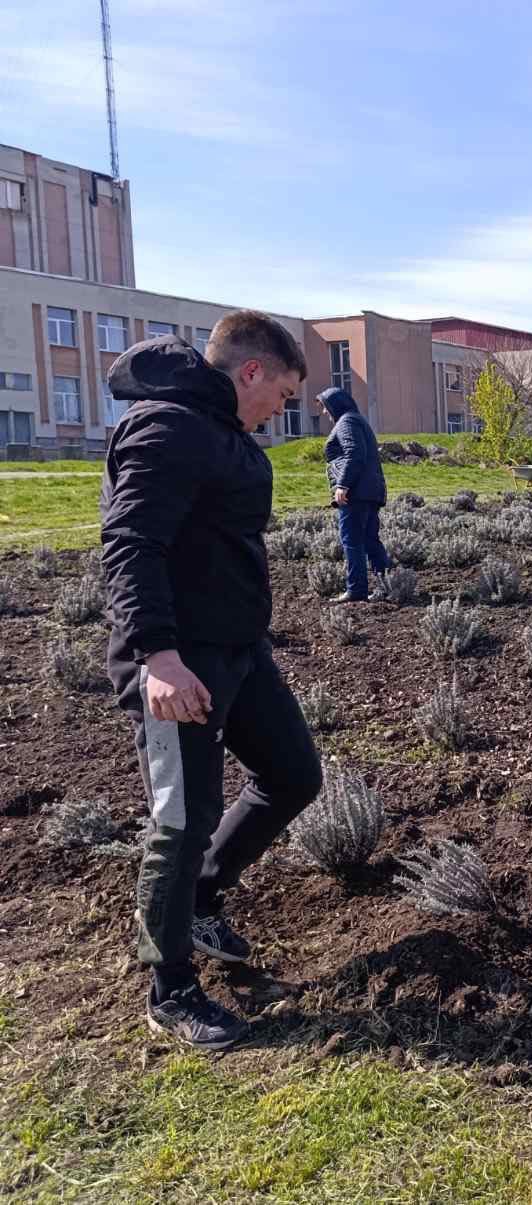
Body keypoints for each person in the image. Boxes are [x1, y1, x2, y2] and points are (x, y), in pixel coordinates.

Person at [100, 311, 322, 1051]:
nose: (281, 412)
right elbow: (131, 543)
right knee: (182, 818)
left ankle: (199, 895)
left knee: (292, 773)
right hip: (177, 660)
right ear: (251, 372)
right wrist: (157, 656)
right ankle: (170, 988)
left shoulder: (223, 431)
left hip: (237, 650)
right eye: (283, 395)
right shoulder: (167, 427)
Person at [316, 387, 390, 603]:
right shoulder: (357, 420)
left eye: (325, 407)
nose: (324, 413)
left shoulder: (346, 422)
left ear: (335, 405)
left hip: (356, 493)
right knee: (369, 540)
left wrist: (342, 485)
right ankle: (388, 585)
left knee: (352, 540)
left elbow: (354, 452)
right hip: (369, 491)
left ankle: (356, 589)